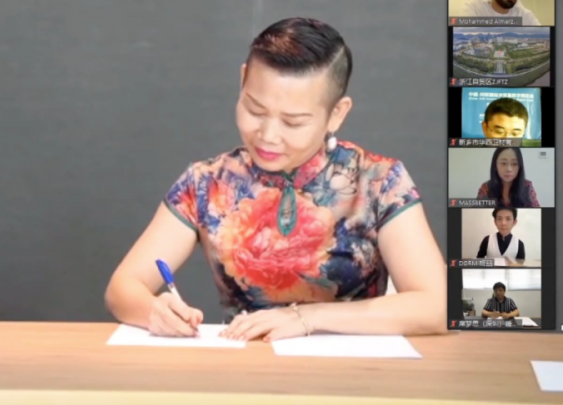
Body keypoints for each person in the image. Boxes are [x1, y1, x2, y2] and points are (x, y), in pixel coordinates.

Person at [105, 18, 447, 342]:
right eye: (255, 110)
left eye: (293, 122)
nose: (268, 135)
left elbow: (436, 307)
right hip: (245, 366)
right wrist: (155, 311)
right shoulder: (208, 183)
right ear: (243, 81)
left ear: (337, 114)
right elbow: (123, 287)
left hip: (354, 370)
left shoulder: (378, 181)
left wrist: (306, 318)